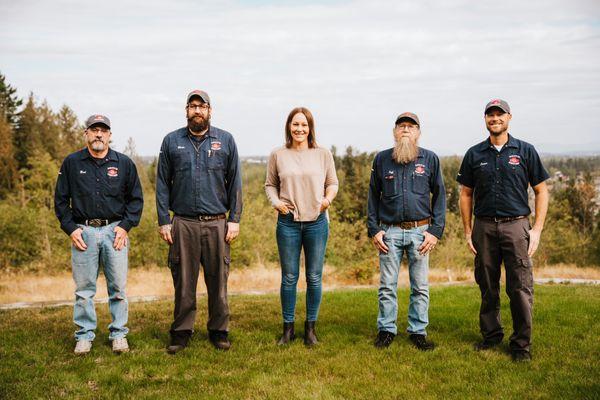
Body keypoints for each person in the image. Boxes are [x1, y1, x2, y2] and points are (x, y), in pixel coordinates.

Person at [457, 99, 549, 362]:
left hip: (516, 225)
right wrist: (467, 230)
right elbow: (466, 194)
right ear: (485, 119)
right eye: (490, 115)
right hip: (484, 227)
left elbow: (541, 190)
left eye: (500, 114)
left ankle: (521, 345)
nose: (495, 118)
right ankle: (491, 336)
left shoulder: (525, 151)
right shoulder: (474, 154)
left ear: (509, 117)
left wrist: (538, 229)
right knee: (487, 285)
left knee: (519, 287)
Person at [156, 89, 242, 353]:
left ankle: (219, 330)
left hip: (217, 222)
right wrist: (164, 220)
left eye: (201, 106)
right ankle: (181, 331)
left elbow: (235, 182)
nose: (197, 111)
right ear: (186, 111)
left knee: (218, 282)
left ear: (209, 111)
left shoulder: (225, 141)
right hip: (183, 223)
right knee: (184, 282)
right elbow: (161, 185)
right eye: (192, 106)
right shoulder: (171, 142)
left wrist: (235, 219)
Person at [54, 114, 143, 355]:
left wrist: (125, 227)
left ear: (110, 135)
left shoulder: (124, 163)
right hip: (83, 233)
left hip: (115, 232)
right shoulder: (71, 163)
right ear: (86, 134)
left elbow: (136, 201)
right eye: (94, 130)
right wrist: (71, 229)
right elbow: (61, 201)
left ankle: (119, 334)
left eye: (103, 130)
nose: (99, 134)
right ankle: (84, 335)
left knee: (118, 289)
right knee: (84, 290)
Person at [367, 112, 446, 351]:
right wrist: (375, 230)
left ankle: (418, 331)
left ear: (418, 133)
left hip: (420, 232)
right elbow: (372, 197)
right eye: (401, 126)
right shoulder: (382, 160)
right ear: (394, 132)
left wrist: (435, 231)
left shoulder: (430, 159)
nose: (405, 130)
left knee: (420, 286)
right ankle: (386, 330)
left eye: (411, 127)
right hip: (389, 232)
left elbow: (440, 196)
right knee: (387, 286)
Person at [265, 107, 338, 346]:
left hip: (317, 223)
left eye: (304, 125)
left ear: (310, 128)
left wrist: (326, 201)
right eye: (295, 124)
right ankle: (288, 330)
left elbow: (332, 183)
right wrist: (276, 203)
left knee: (314, 277)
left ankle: (310, 330)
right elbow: (270, 185)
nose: (299, 129)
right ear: (288, 127)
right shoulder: (278, 154)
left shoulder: (323, 154)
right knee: (289, 277)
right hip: (288, 223)